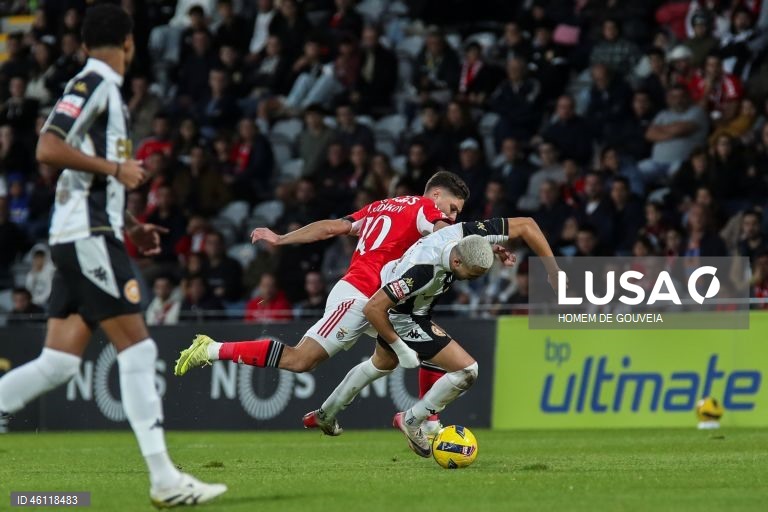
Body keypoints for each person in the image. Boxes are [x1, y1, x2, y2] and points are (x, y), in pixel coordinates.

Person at [0, 6, 226, 508]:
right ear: (129, 43)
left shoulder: (98, 87)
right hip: (88, 237)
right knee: (139, 351)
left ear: (85, 43)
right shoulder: (94, 83)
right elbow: (47, 147)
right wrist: (116, 169)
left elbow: (84, 178)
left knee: (58, 364)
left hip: (87, 232)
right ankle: (165, 480)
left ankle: (165, 479)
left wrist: (130, 223)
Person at [174, 171, 470, 434]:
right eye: (453, 208)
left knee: (394, 357)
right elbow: (446, 236)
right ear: (436, 195)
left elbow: (331, 228)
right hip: (359, 295)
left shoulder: (381, 206)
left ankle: (332, 415)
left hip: (379, 300)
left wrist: (281, 238)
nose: (453, 217)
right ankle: (211, 348)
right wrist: (480, 246)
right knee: (301, 359)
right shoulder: (426, 208)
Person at [307, 217, 559, 455]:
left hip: (413, 304)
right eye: (472, 275)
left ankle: (325, 414)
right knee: (467, 370)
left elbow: (527, 225)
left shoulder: (463, 233)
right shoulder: (422, 271)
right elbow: (373, 308)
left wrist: (553, 271)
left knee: (382, 363)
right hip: (402, 314)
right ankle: (412, 420)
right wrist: (400, 346)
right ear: (457, 263)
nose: (472, 280)